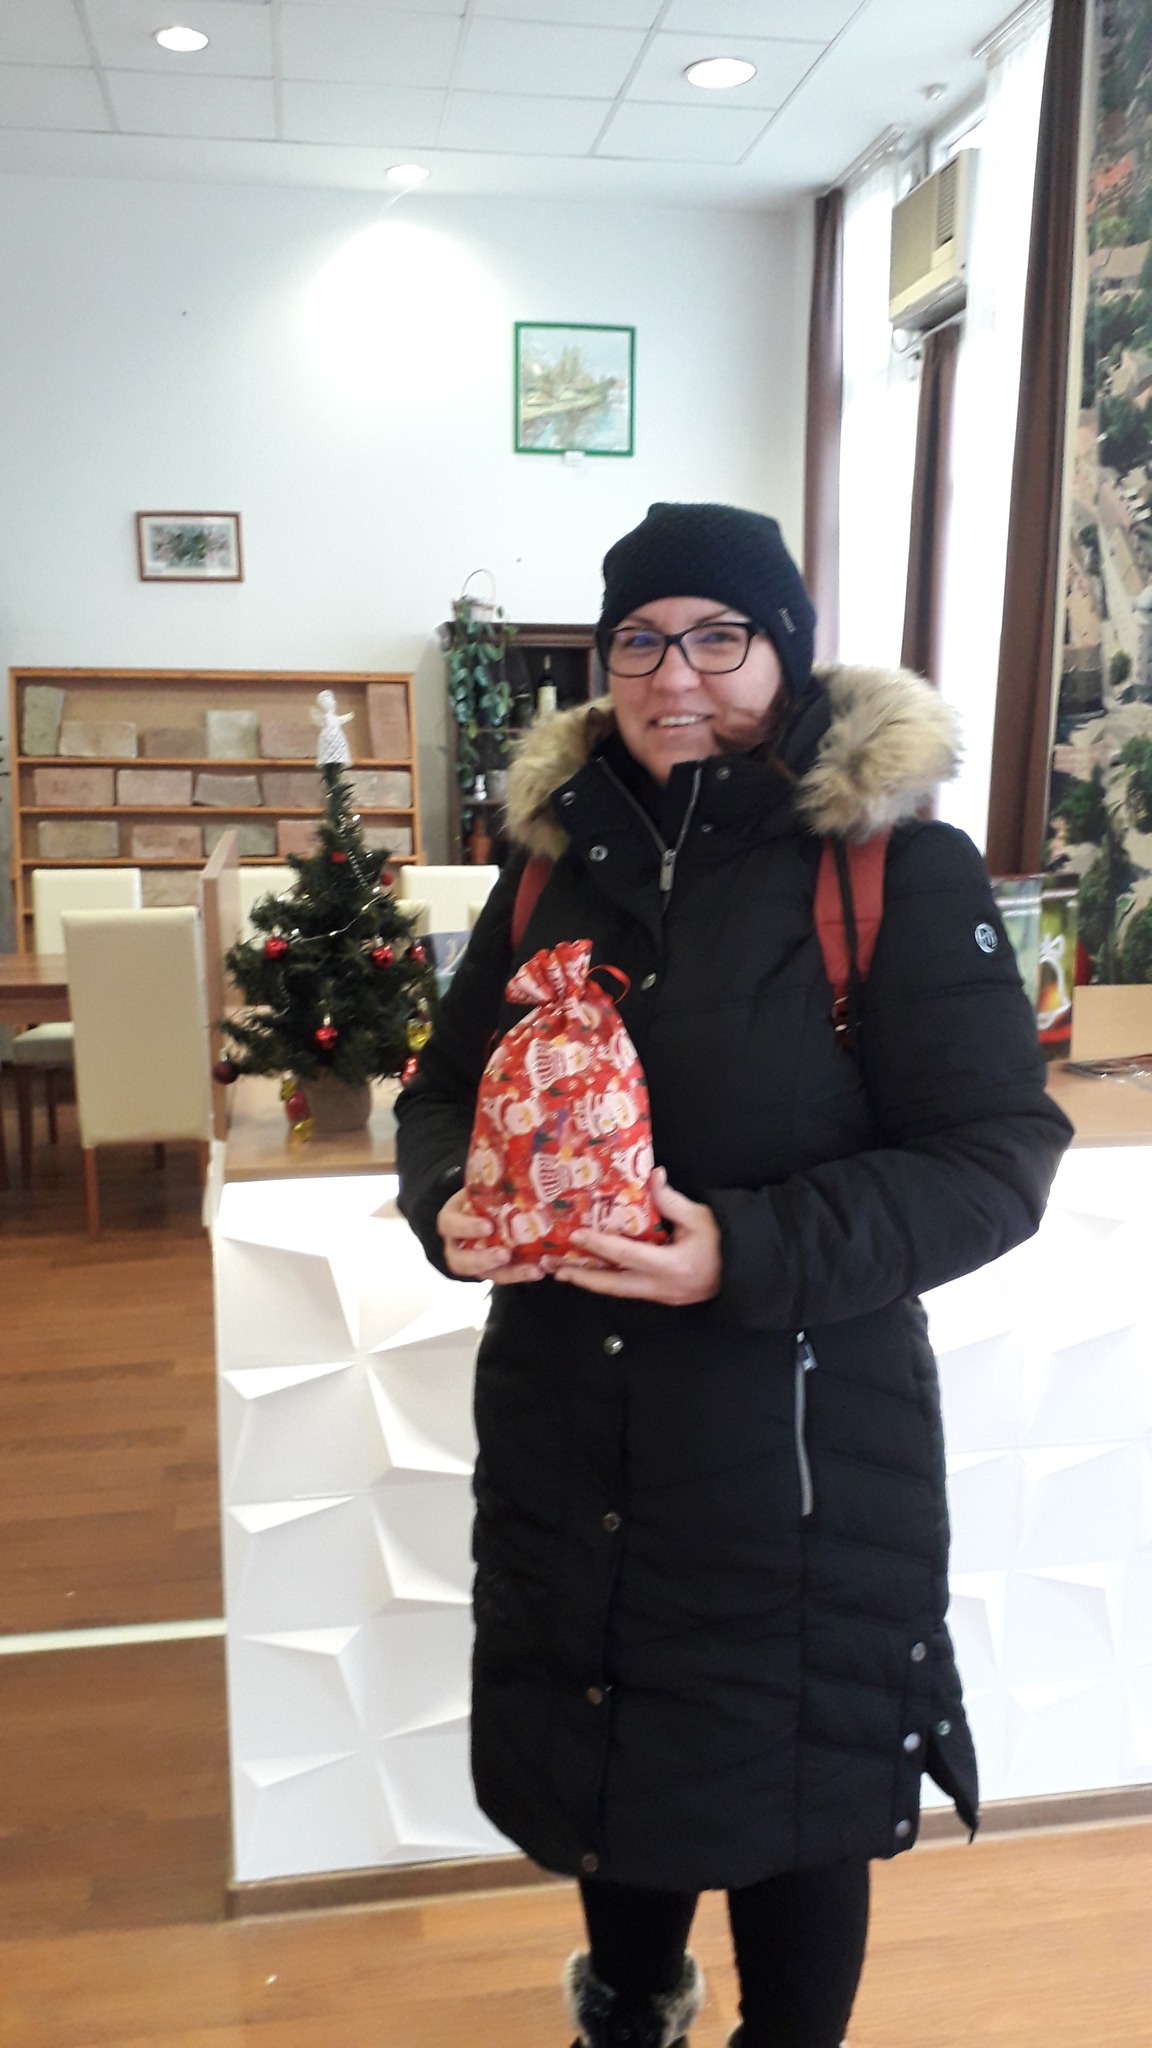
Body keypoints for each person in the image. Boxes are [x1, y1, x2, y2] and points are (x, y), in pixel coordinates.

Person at [396, 502, 1072, 2048]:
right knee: (606, 1755)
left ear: (788, 650)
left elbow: (996, 1159)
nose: (675, 675)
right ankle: (629, 2009)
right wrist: (450, 1203)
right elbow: (441, 1092)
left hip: (800, 1451)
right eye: (639, 641)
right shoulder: (547, 868)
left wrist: (742, 1251)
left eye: (720, 637)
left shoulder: (892, 867)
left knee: (798, 1790)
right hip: (570, 1424)